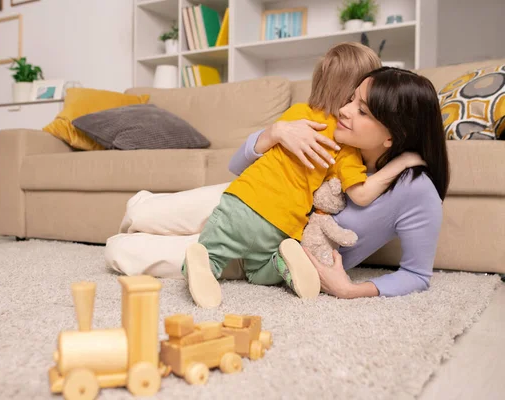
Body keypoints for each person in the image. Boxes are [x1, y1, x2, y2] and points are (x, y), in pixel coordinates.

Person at [104, 53, 449, 302]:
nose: (343, 110)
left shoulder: (415, 191)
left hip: (274, 248)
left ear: (393, 134)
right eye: (350, 99)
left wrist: (351, 290)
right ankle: (143, 207)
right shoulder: (331, 131)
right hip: (246, 197)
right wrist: (275, 133)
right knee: (141, 214)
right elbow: (238, 167)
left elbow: (417, 275)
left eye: (359, 108)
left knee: (122, 250)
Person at [182, 43, 426, 309]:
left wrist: (279, 129)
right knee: (259, 269)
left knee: (208, 254)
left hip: (242, 202)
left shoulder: (297, 114)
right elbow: (362, 194)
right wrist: (402, 162)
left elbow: (242, 169)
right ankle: (282, 261)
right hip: (285, 225)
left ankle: (206, 263)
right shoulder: (345, 148)